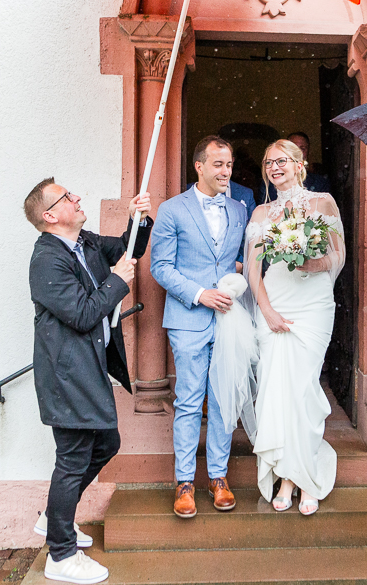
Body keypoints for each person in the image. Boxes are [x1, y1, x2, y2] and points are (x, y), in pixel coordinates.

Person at [24, 178, 152, 585]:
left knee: (107, 442)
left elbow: (127, 249)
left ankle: (55, 518)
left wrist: (139, 220)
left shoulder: (85, 243)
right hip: (67, 375)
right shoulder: (47, 259)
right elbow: (81, 314)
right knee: (74, 457)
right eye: (67, 197)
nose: (77, 198)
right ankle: (61, 556)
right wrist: (117, 281)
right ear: (49, 216)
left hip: (87, 369)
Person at [150, 135, 249, 518]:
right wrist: (199, 293)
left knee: (224, 400)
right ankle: (185, 482)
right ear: (200, 166)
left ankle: (219, 477)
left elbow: (240, 260)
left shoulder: (240, 210)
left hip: (228, 318)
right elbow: (161, 266)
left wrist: (232, 279)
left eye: (229, 165)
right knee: (190, 401)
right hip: (188, 318)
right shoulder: (172, 210)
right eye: (219, 165)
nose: (226, 172)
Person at [246, 139, 345, 515]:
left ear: (299, 164)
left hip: (313, 305)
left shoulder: (323, 203)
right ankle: (288, 477)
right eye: (268, 162)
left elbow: (338, 255)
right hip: (276, 301)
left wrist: (311, 264)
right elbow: (255, 270)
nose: (275, 167)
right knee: (276, 389)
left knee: (303, 389)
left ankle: (302, 478)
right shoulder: (260, 213)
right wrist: (267, 311)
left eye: (282, 160)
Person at [266, 131, 330, 199]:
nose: (298, 152)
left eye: (302, 148)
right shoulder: (271, 182)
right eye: (293, 148)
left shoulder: (320, 183)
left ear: (308, 152)